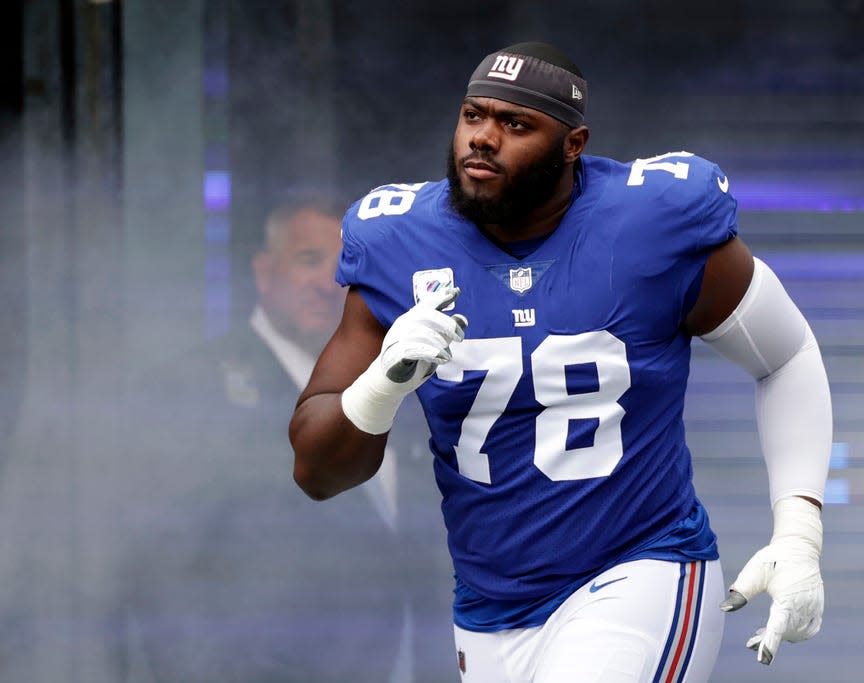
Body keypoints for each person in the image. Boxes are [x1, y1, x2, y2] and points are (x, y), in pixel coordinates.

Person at [290, 42, 833, 683]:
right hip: (490, 606)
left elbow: (786, 354)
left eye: (516, 124)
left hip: (642, 567)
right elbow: (316, 473)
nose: (483, 139)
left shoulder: (651, 219)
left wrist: (799, 532)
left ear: (573, 144)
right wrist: (382, 384)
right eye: (473, 115)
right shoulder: (396, 241)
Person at [121, 195, 451, 682]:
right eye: (307, 260)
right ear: (264, 272)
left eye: (340, 267)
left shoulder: (400, 377)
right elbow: (165, 575)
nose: (325, 282)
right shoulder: (194, 386)